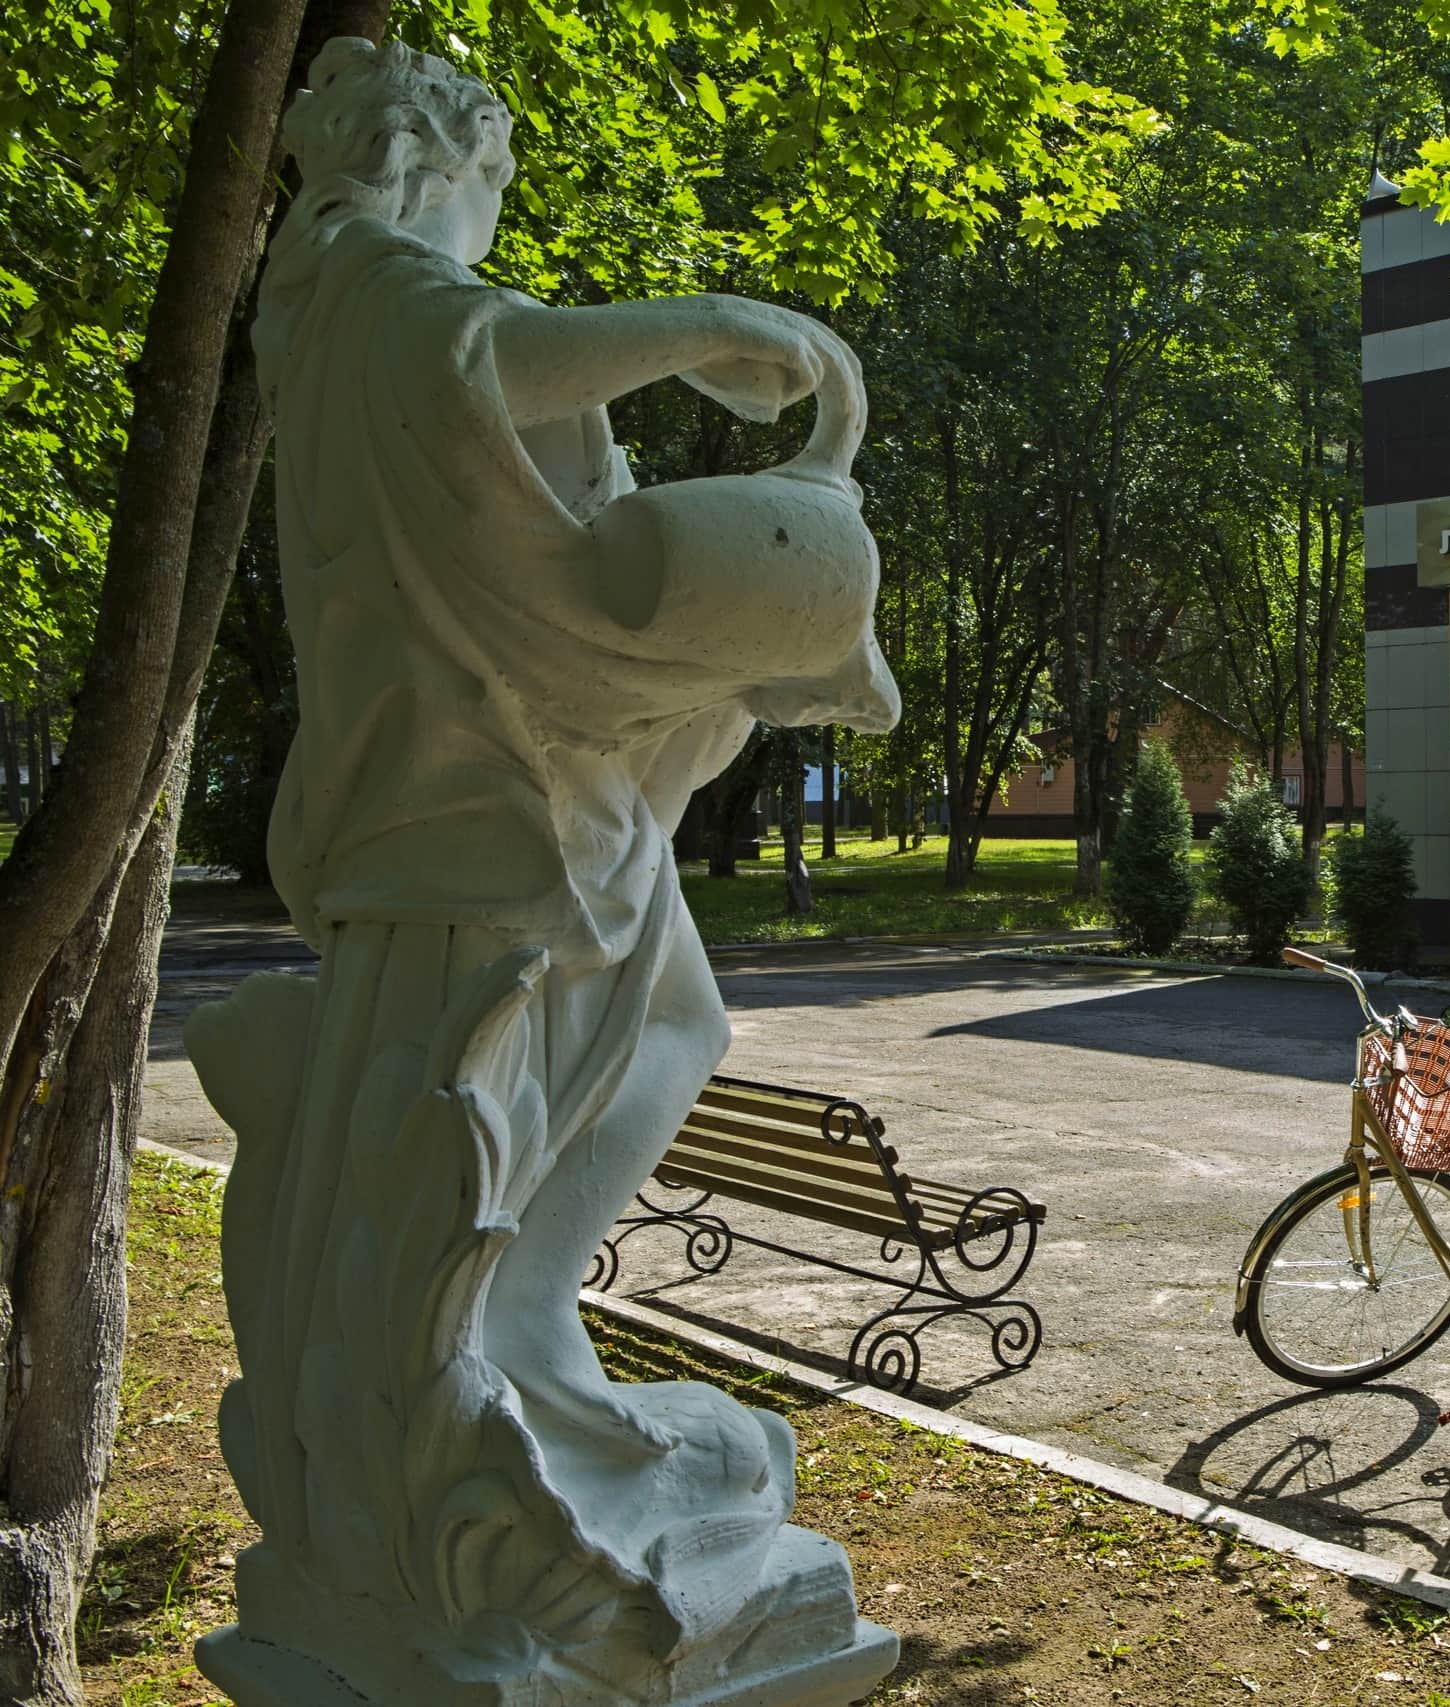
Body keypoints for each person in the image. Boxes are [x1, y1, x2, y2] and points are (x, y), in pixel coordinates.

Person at [188, 36, 896, 1699]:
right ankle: (485, 1370)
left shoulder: (361, 318)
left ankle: (523, 1329)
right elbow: (489, 355)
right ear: (437, 159)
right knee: (469, 1126)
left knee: (668, 1035)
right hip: (470, 812)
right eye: (495, 178)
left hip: (538, 789)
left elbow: (508, 445)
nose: (496, 211)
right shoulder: (365, 283)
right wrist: (715, 330)